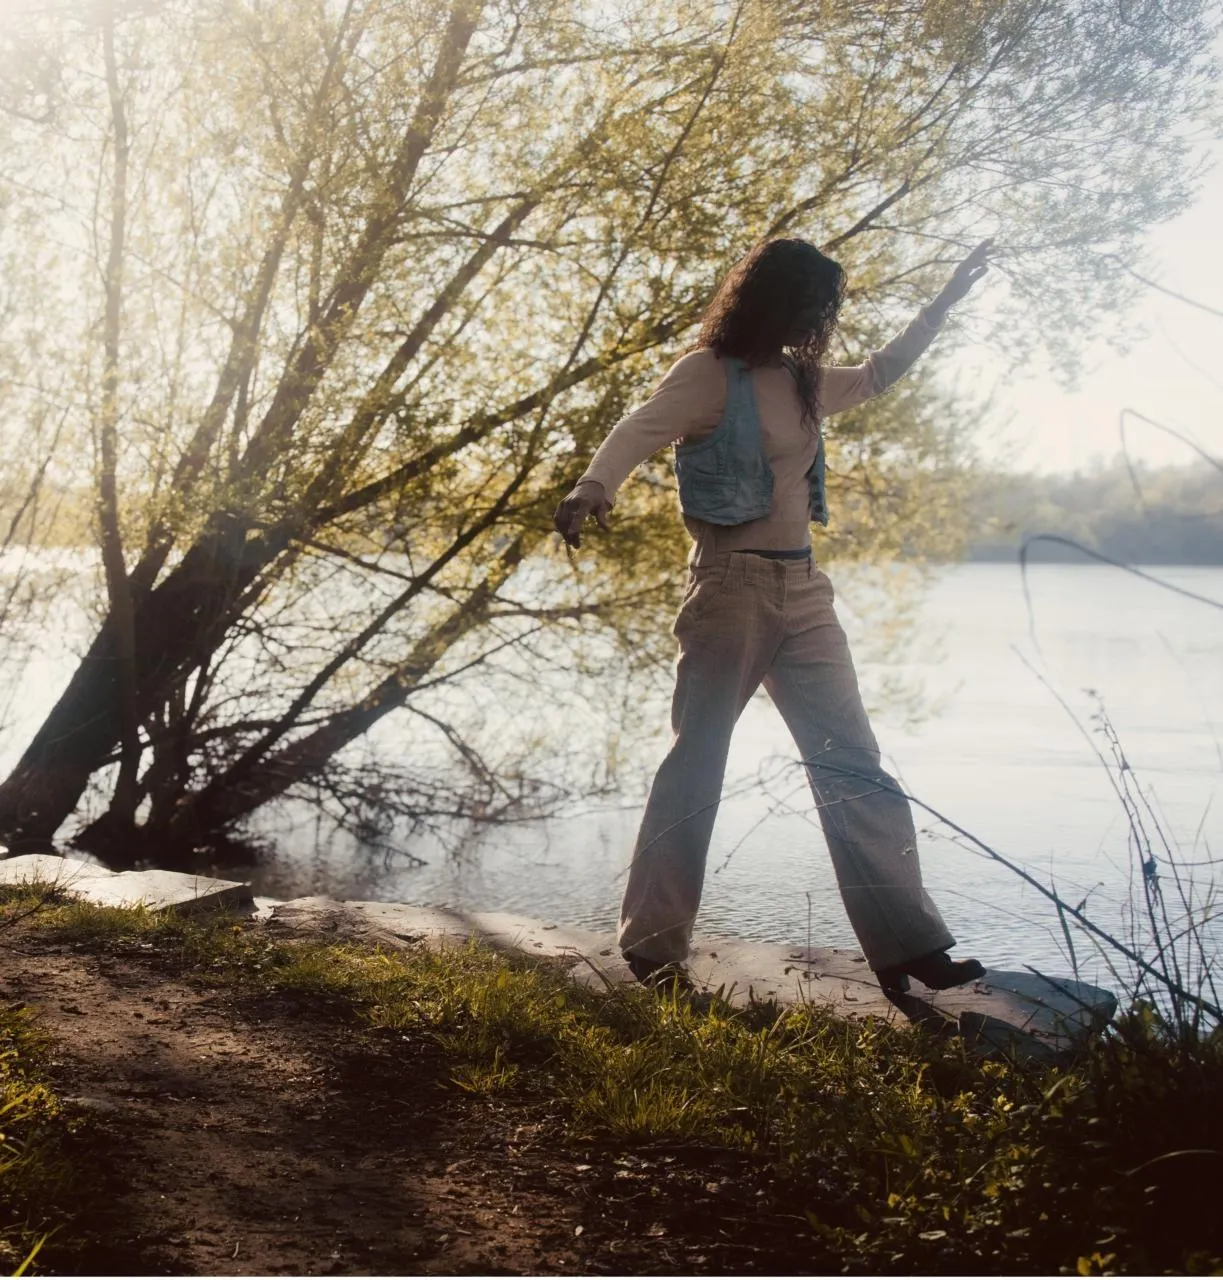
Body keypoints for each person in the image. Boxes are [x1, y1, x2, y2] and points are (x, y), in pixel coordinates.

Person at [553, 237, 994, 997]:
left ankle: (907, 945)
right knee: (697, 762)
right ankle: (653, 947)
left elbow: (879, 373)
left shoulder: (799, 380)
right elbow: (638, 428)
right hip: (730, 588)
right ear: (770, 299)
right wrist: (594, 487)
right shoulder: (706, 374)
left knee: (853, 763)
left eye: (823, 308)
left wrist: (944, 303)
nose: (816, 319)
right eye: (807, 303)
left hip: (805, 590)